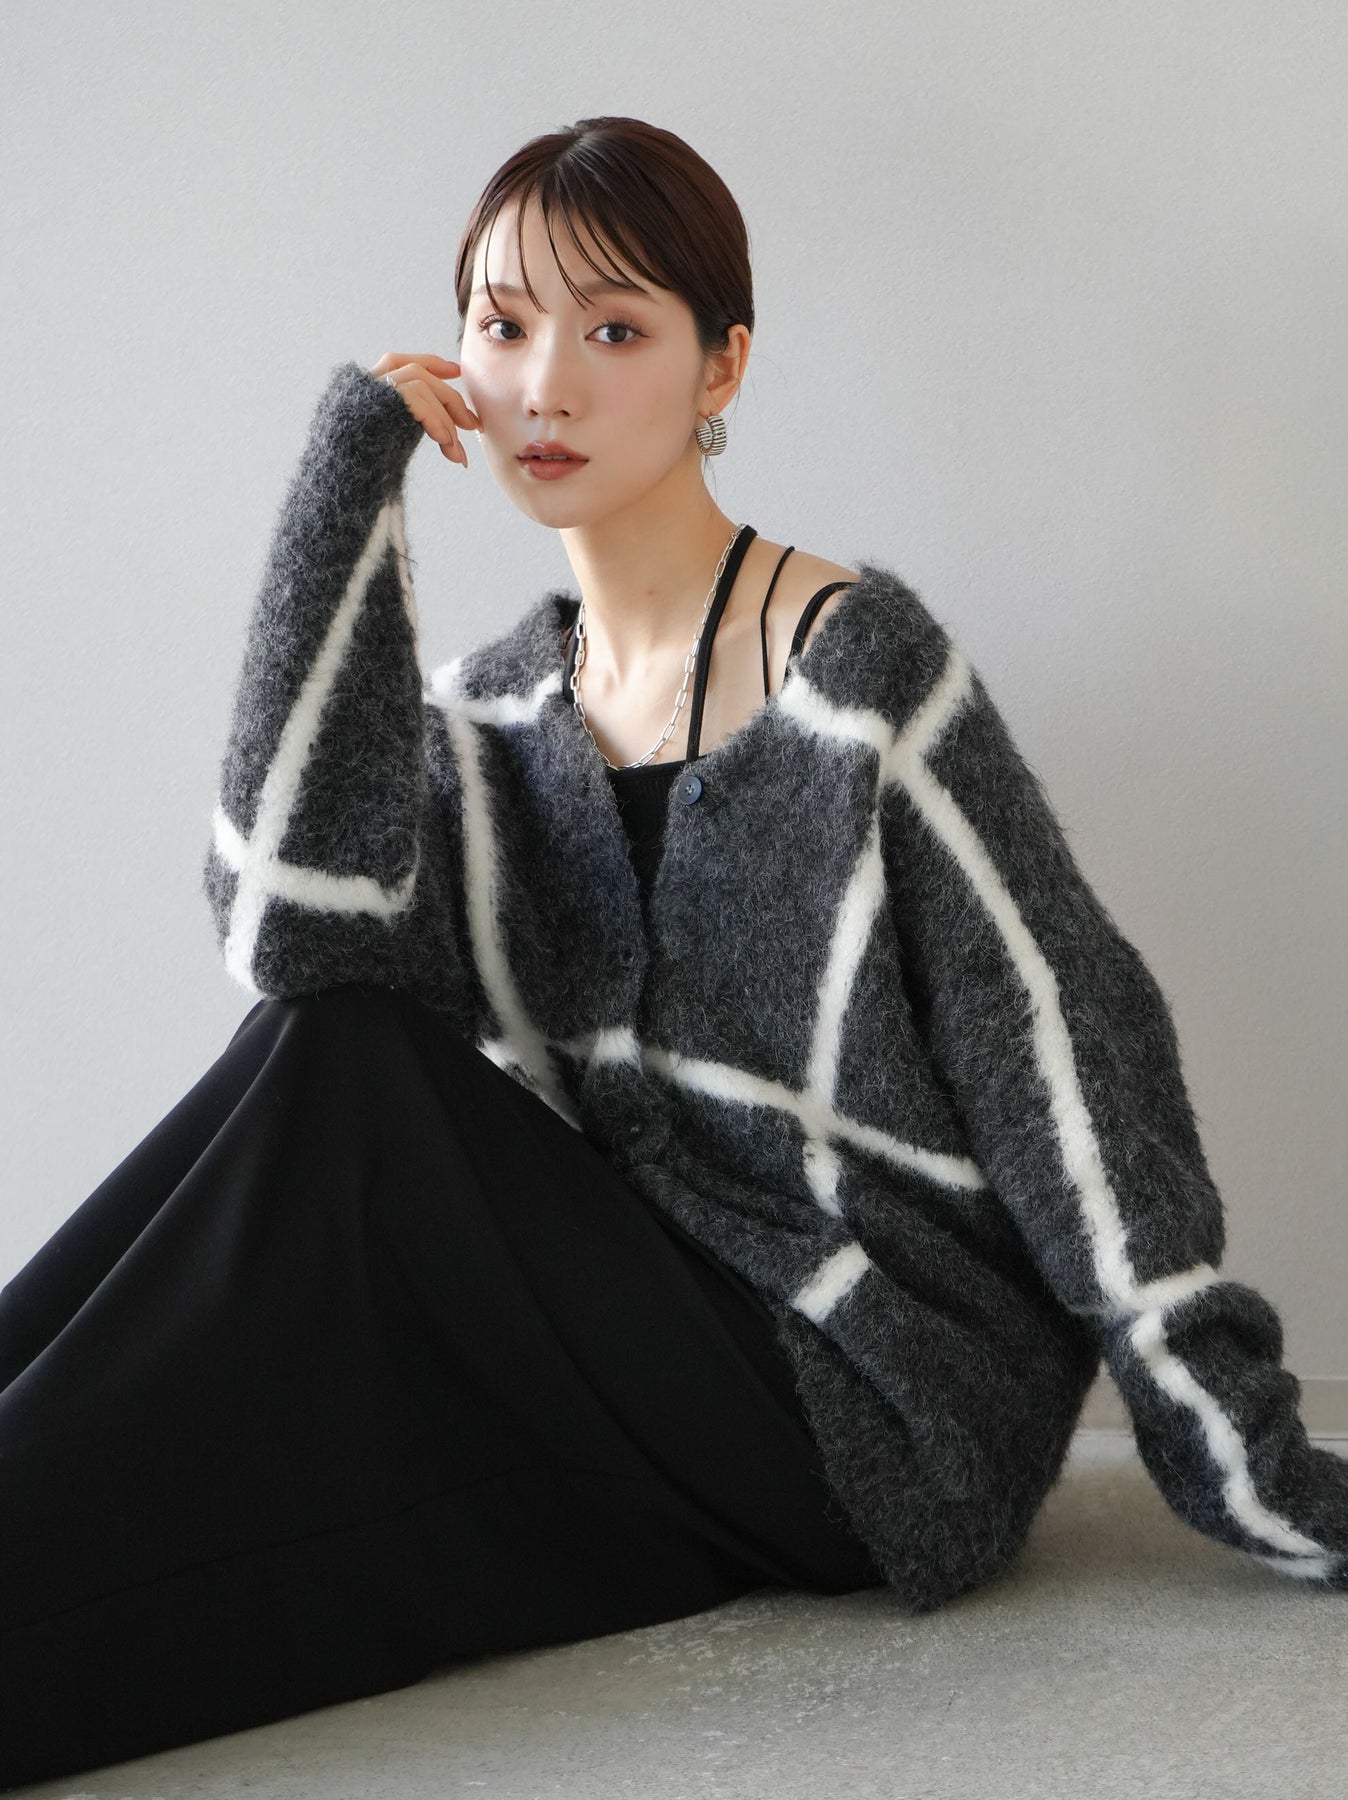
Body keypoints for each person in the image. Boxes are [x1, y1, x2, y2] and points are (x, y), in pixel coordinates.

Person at [3, 114, 1344, 1792]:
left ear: (723, 365)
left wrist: (1243, 1449)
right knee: (254, 1459)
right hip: (625, 1344)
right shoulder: (494, 718)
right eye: (503, 326)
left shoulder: (857, 671)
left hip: (875, 1388)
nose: (544, 384)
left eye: (615, 329)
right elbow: (294, 936)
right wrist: (348, 486)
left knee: (352, 1083)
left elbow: (1065, 1050)